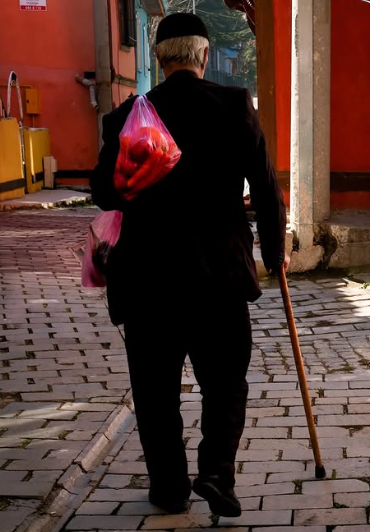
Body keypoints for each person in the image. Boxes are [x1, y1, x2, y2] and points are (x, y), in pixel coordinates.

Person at [90, 13, 288, 517]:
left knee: (155, 392)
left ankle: (170, 488)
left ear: (159, 58)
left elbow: (103, 192)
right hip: (218, 275)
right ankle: (217, 471)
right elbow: (266, 188)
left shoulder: (129, 115)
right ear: (203, 56)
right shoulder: (234, 106)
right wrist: (271, 252)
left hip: (148, 277)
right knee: (225, 383)